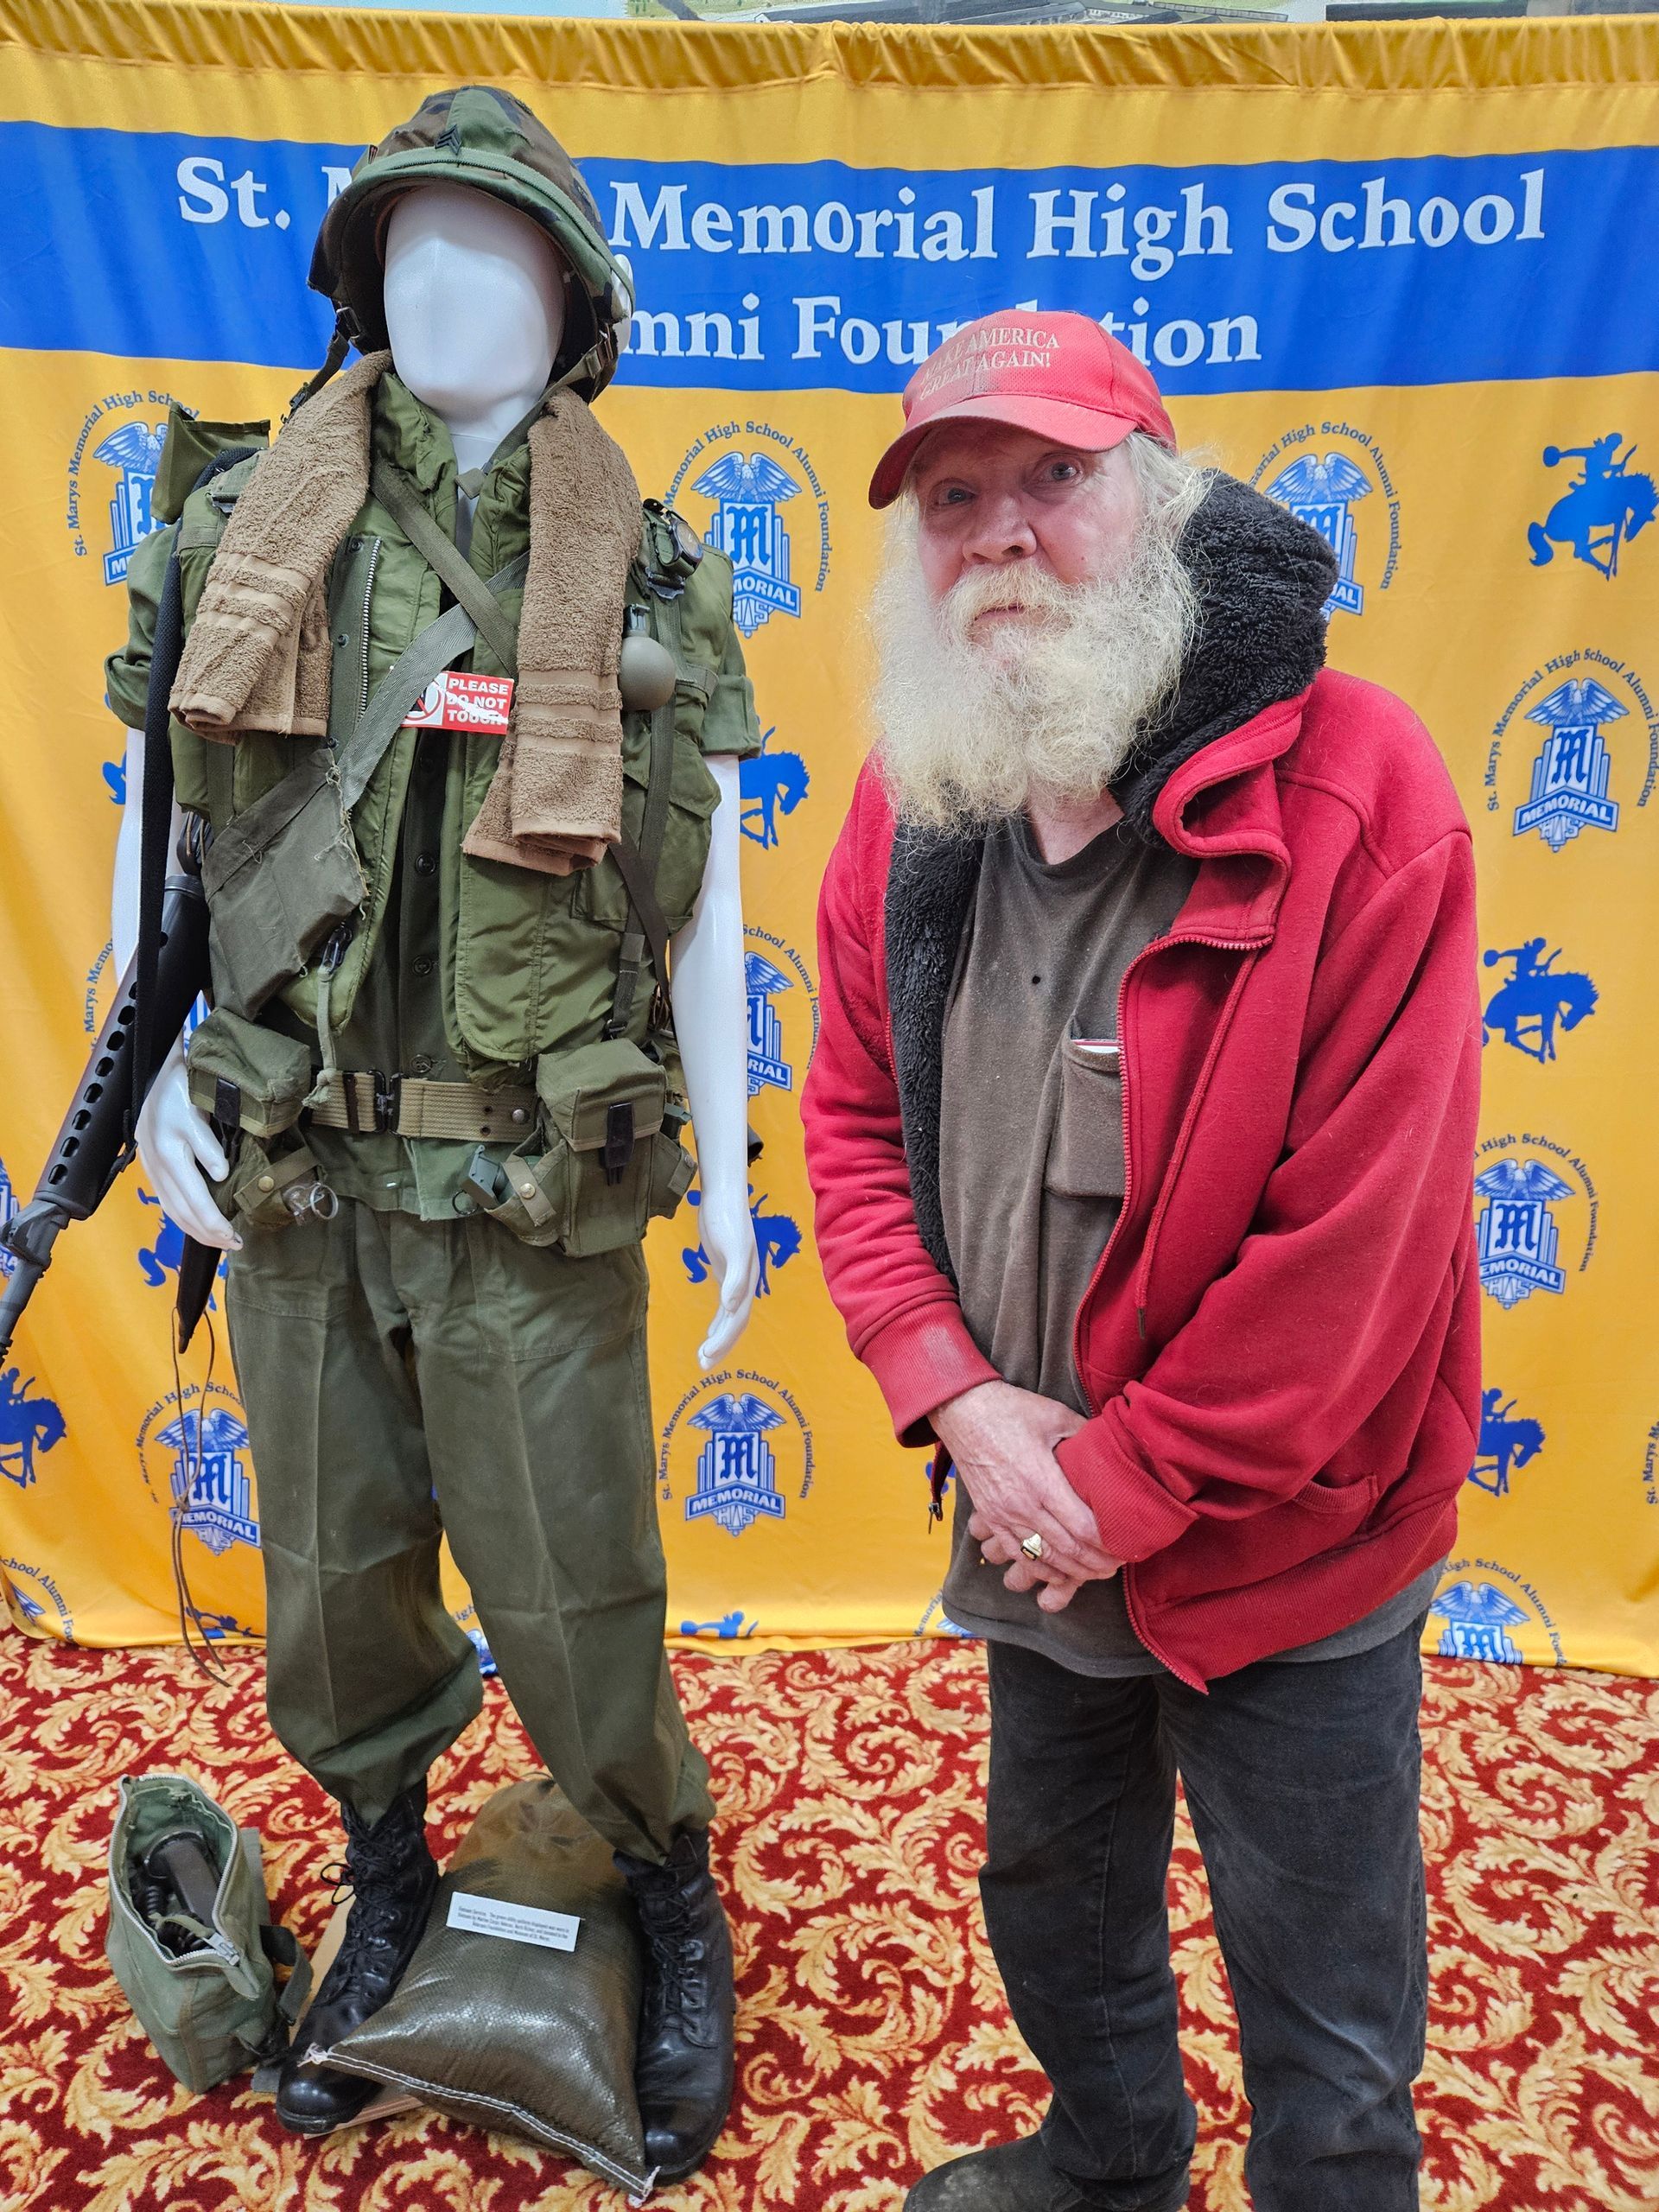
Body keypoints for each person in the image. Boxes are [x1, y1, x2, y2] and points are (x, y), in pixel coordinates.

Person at [104, 88, 759, 2173]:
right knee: (331, 1577)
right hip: (299, 1161)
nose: (442, 276)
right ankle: (385, 1862)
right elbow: (173, 851)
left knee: (578, 1589)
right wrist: (140, 1109)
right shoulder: (240, 531)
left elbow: (708, 870)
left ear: (574, 300)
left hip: (526, 1182)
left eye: (496, 244)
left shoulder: (641, 564)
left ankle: (665, 1880)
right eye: (408, 241)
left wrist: (731, 1172)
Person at [800, 309, 1480, 2212]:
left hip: (1291, 1540)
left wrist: (1112, 1480)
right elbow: (849, 1128)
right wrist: (956, 1394)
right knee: (1053, 1893)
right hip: (1030, 1521)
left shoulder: (1363, 785)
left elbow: (1361, 1245)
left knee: (1328, 2013)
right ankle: (1109, 2158)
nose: (1000, 531)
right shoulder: (914, 793)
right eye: (955, 496)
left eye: (1055, 478)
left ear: (1157, 499)